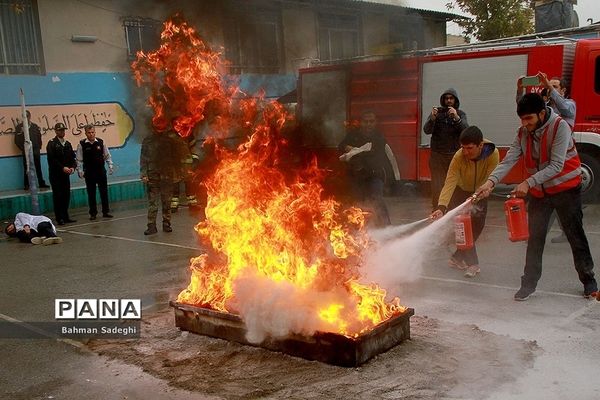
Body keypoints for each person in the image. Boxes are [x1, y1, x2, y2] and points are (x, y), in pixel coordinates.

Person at [476, 93, 598, 301]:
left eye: (529, 119)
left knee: (575, 236)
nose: (525, 124)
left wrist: (527, 182)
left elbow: (557, 165)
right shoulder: (523, 132)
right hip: (540, 194)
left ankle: (589, 281)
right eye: (522, 120)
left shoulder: (560, 128)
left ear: (542, 113)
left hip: (565, 191)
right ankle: (528, 284)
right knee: (535, 239)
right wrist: (490, 183)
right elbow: (509, 160)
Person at [430, 126, 499, 278]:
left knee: (477, 228)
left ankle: (456, 258)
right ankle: (473, 264)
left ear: (480, 145)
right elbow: (450, 182)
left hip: (481, 192)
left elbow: (491, 179)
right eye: (463, 147)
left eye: (469, 148)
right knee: (465, 229)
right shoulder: (459, 156)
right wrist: (441, 206)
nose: (465, 152)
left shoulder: (493, 154)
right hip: (460, 192)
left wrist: (478, 196)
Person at [518, 72, 577, 243]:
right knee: (547, 204)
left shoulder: (569, 106)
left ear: (563, 90)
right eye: (548, 86)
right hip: (546, 166)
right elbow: (524, 111)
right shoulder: (544, 108)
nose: (550, 89)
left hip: (561, 163)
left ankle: (557, 234)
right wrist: (519, 90)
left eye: (556, 86)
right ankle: (540, 234)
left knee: (558, 204)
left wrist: (549, 87)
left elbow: (565, 109)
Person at [338, 110, 391, 227]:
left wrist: (357, 151)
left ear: (375, 122)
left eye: (371, 122)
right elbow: (341, 146)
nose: (368, 124)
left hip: (374, 175)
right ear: (360, 122)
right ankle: (361, 227)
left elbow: (374, 153)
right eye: (365, 122)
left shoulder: (379, 137)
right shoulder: (353, 134)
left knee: (377, 199)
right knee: (357, 202)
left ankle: (386, 226)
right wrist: (351, 148)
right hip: (356, 175)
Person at [424, 88, 469, 210]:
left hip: (453, 156)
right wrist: (432, 118)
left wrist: (456, 118)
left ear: (455, 100)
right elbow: (426, 130)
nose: (449, 101)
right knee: (437, 187)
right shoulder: (437, 113)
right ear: (443, 100)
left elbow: (466, 131)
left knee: (454, 186)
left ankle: (452, 211)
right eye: (446, 98)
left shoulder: (460, 113)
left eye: (451, 98)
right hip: (437, 157)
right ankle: (437, 211)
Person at [140, 130, 182, 235]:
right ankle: (151, 226)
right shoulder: (148, 140)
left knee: (167, 202)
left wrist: (177, 172)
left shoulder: (169, 140)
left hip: (166, 175)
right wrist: (143, 174)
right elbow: (143, 159)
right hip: (152, 175)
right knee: (153, 203)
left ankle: (166, 224)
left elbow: (176, 158)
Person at [76, 124, 114, 220]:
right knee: (91, 193)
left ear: (95, 132)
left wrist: (110, 166)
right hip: (89, 172)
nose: (91, 134)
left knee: (104, 192)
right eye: (89, 133)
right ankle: (93, 213)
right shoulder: (82, 144)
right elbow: (79, 159)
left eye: (93, 132)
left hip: (100, 171)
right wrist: (80, 171)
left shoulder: (101, 142)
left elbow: (107, 155)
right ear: (85, 133)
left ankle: (106, 211)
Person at [46, 122, 77, 225]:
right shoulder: (52, 144)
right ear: (55, 131)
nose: (62, 132)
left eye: (63, 130)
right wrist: (62, 168)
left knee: (66, 195)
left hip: (65, 175)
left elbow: (73, 157)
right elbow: (52, 159)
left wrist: (73, 167)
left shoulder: (67, 144)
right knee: (58, 196)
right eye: (60, 130)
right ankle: (59, 218)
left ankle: (65, 216)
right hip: (56, 175)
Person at [14, 110, 50, 190]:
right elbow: (16, 140)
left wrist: (39, 147)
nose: (26, 118)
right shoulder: (19, 127)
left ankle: (41, 183)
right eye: (24, 116)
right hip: (26, 151)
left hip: (35, 150)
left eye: (27, 116)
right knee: (27, 167)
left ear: (30, 116)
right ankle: (26, 185)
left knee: (38, 167)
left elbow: (39, 137)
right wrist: (23, 148)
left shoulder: (35, 126)